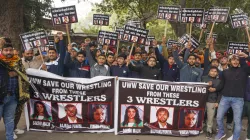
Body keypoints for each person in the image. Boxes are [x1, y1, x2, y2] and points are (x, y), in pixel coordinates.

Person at [212, 53, 250, 140]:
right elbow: (221, 85)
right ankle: (221, 132)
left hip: (238, 100)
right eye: (233, 59)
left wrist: (246, 56)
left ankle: (235, 138)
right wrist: (214, 89)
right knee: (218, 117)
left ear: (239, 61)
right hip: (225, 98)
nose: (235, 61)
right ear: (230, 61)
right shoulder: (225, 72)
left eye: (237, 60)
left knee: (237, 121)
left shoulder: (244, 70)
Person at [0, 41, 29, 140]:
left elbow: (23, 75)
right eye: (6, 50)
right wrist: (6, 74)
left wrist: (16, 73)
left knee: (10, 119)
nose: (8, 52)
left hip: (13, 96)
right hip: (1, 97)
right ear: (2, 51)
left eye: (10, 50)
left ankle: (10, 137)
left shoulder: (17, 62)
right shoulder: (0, 62)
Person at [202, 67, 221, 139]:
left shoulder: (219, 81)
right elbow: (198, 88)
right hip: (202, 100)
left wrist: (217, 102)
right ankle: (199, 129)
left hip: (212, 101)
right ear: (209, 71)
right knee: (200, 116)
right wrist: (207, 86)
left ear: (217, 73)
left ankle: (209, 131)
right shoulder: (203, 78)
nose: (213, 72)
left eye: (215, 71)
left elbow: (220, 93)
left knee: (210, 117)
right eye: (212, 71)